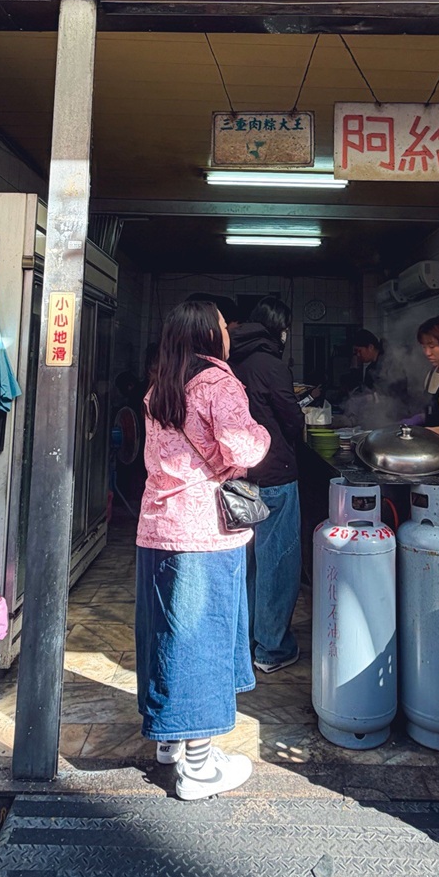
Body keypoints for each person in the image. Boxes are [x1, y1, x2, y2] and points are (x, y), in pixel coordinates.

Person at [137, 299, 270, 801]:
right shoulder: (218, 382)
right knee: (202, 639)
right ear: (209, 335)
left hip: (158, 528)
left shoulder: (161, 386)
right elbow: (242, 449)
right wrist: (261, 434)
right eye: (221, 325)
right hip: (204, 534)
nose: (228, 332)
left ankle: (169, 742)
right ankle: (198, 766)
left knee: (166, 634)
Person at [227, 296, 305, 674]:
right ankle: (271, 649)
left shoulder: (229, 362)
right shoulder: (272, 365)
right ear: (280, 329)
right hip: (275, 475)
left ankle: (245, 640)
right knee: (278, 563)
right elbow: (291, 419)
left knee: (247, 564)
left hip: (239, 476)